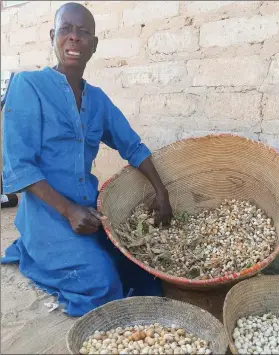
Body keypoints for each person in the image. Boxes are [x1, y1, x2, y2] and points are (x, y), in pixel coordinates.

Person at [1, 2, 173, 317]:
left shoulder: (97, 99)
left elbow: (132, 145)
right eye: (66, 29)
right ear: (53, 36)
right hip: (48, 215)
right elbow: (18, 166)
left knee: (146, 270)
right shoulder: (28, 87)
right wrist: (69, 211)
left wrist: (162, 191)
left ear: (94, 45)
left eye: (83, 33)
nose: (74, 38)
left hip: (91, 211)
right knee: (101, 283)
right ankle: (34, 253)